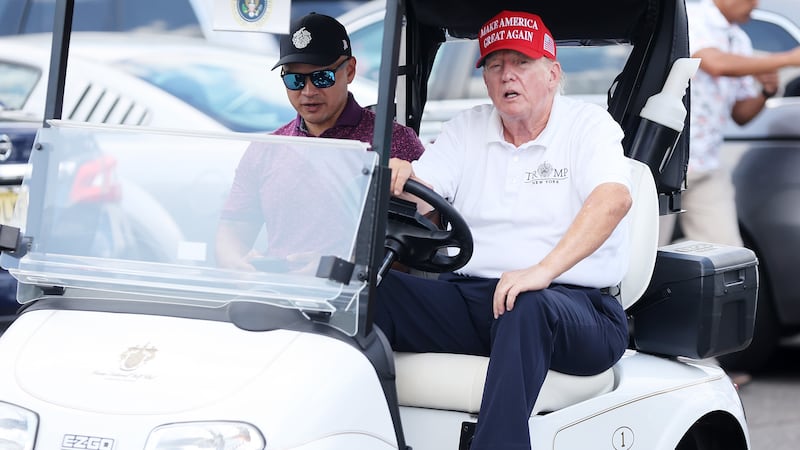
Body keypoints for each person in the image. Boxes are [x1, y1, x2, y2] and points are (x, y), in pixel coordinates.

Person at [374, 10, 632, 450]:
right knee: (371, 292)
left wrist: (541, 271)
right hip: (476, 300)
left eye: (521, 63)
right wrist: (401, 180)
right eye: (495, 65)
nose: (507, 75)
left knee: (525, 303)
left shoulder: (588, 126)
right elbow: (424, 195)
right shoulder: (467, 128)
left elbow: (614, 199)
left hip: (577, 309)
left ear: (552, 74)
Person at [216, 12, 425, 270]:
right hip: (275, 289)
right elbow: (233, 232)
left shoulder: (395, 142)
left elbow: (417, 249)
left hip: (359, 292)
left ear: (350, 71)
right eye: (295, 80)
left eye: (322, 77)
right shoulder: (266, 149)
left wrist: (338, 270)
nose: (308, 91)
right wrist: (237, 267)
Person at [658, 0, 800, 248]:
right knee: (647, 250)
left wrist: (766, 92)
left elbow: (740, 115)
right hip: (665, 159)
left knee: (727, 250)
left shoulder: (739, 40)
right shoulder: (692, 17)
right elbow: (715, 64)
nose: (756, 4)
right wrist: (788, 59)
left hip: (707, 162)